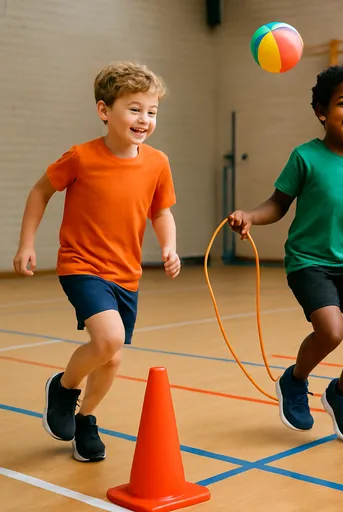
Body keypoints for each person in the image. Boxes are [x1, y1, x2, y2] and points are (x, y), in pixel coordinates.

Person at [228, 65, 343, 444]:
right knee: (331, 331)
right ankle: (294, 380)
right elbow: (278, 204)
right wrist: (250, 215)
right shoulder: (305, 157)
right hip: (308, 261)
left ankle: (342, 393)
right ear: (321, 111)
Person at [13, 62, 180, 462]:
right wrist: (26, 244)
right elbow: (39, 192)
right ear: (105, 111)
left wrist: (169, 246)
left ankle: (86, 419)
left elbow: (160, 212)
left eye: (152, 111)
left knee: (113, 355)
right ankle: (65, 389)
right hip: (81, 265)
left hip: (127, 272)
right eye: (134, 109)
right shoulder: (81, 157)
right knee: (109, 339)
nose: (144, 119)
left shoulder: (157, 163)